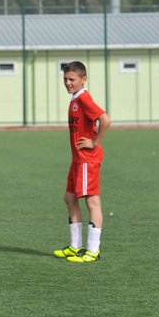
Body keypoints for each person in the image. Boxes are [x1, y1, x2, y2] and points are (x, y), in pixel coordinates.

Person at [54, 61, 111, 263]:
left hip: (88, 159)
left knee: (91, 201)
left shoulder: (85, 98)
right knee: (69, 198)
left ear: (83, 79)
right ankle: (75, 246)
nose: (68, 83)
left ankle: (92, 251)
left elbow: (105, 119)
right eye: (65, 79)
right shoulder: (75, 98)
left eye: (72, 79)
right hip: (77, 159)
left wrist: (94, 142)